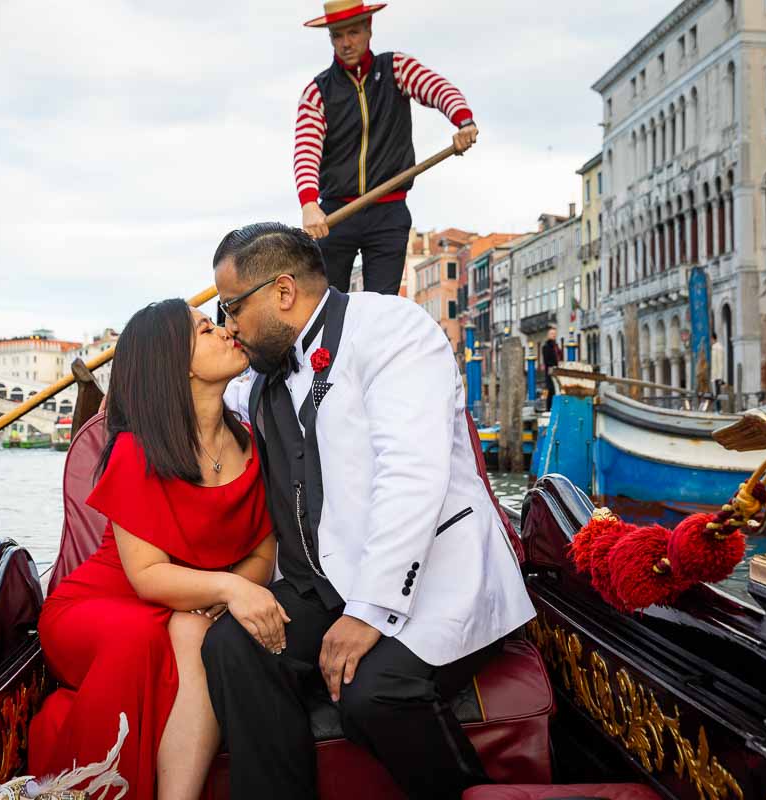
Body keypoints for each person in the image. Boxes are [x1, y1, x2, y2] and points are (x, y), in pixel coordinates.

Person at [207, 223, 534, 799]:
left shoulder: (392, 330)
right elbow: (199, 397)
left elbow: (411, 477)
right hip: (324, 581)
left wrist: (368, 612)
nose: (227, 325)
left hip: (437, 574)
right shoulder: (259, 373)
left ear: (283, 293)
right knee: (235, 644)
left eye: (231, 306)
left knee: (374, 692)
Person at [28, 300, 283, 800]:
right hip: (102, 605)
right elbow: (146, 575)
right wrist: (226, 588)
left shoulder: (253, 444)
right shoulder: (138, 448)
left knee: (191, 627)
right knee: (144, 637)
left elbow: (261, 555)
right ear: (177, 363)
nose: (226, 331)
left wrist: (225, 591)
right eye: (206, 329)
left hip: (186, 603)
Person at [296, 0, 480, 294]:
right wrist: (309, 204)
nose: (345, 43)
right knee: (326, 306)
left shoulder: (396, 68)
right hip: (335, 215)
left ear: (369, 29)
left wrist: (463, 121)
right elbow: (306, 149)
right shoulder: (317, 92)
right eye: (337, 36)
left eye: (353, 33)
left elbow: (439, 89)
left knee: (383, 309)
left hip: (388, 210)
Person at [541, 327, 560, 411]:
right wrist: (553, 366)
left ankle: (555, 407)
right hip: (550, 371)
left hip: (557, 370)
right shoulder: (546, 347)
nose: (554, 335)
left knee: (557, 389)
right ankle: (549, 409)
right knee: (551, 389)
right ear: (548, 335)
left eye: (555, 334)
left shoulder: (556, 346)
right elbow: (547, 360)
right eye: (552, 334)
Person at [711, 332, 726, 412]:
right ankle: (717, 408)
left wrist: (720, 377)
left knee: (717, 393)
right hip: (714, 376)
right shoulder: (714, 347)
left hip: (717, 376)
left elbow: (720, 363)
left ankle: (719, 409)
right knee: (715, 393)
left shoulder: (718, 348)